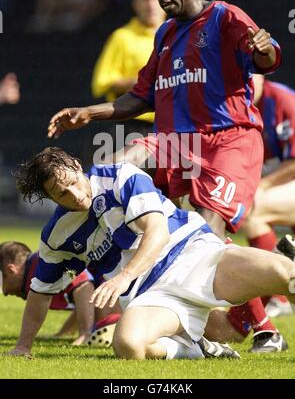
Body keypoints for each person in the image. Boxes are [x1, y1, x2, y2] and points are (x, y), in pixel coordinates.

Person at [47, 0, 283, 352]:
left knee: (206, 233)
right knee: (111, 170)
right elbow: (140, 97)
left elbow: (266, 56)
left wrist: (265, 48)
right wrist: (90, 112)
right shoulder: (166, 34)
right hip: (175, 141)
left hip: (228, 138)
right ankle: (129, 289)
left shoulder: (224, 16)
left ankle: (256, 324)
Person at [7, 147, 295, 360]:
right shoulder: (56, 235)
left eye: (73, 182)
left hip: (197, 257)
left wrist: (123, 277)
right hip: (152, 296)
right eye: (61, 194)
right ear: (51, 199)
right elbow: (41, 292)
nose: (75, 195)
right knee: (129, 346)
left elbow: (157, 232)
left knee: (287, 274)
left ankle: (241, 327)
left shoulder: (120, 176)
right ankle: (196, 349)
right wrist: (23, 345)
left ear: (76, 164)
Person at [242, 75, 295, 316]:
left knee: (254, 209)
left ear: (263, 75)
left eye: (251, 74)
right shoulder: (236, 105)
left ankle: (279, 297)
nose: (246, 81)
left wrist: (262, 185)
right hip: (280, 186)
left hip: (284, 182)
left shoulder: (283, 100)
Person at [91, 0, 165, 143]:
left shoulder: (178, 35)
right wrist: (146, 82)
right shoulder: (122, 37)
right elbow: (103, 83)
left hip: (171, 127)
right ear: (135, 4)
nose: (151, 4)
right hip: (133, 127)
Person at [0, 241, 96, 346]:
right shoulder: (35, 268)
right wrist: (64, 333)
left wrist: (85, 332)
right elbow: (80, 300)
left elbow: (83, 283)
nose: (5, 293)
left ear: (11, 270)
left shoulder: (42, 264)